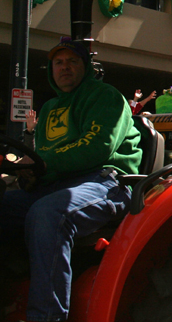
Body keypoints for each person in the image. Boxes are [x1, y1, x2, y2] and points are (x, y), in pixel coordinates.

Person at [0, 37, 142, 321]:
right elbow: (46, 156)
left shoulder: (105, 96)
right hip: (58, 184)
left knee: (49, 213)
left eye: (72, 61)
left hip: (105, 182)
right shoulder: (51, 107)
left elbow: (97, 147)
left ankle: (47, 316)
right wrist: (27, 172)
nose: (65, 67)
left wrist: (42, 163)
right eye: (59, 62)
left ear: (86, 66)